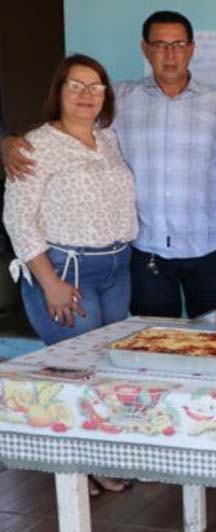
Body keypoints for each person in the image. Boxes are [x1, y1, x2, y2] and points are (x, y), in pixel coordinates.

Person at [4, 10, 216, 318]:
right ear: (145, 49)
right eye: (159, 44)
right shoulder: (121, 99)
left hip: (211, 246)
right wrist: (8, 142)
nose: (170, 54)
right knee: (153, 343)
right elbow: (71, 129)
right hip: (146, 250)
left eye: (179, 44)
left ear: (192, 49)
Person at [3, 54, 136, 496]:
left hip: (116, 268)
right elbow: (19, 220)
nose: (86, 95)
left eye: (95, 87)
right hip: (65, 271)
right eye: (76, 86)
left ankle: (96, 455)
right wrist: (50, 283)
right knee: (77, 370)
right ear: (58, 91)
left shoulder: (108, 140)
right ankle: (79, 466)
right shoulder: (33, 146)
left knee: (108, 368)